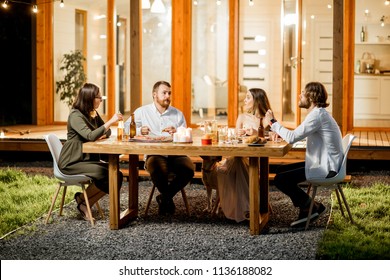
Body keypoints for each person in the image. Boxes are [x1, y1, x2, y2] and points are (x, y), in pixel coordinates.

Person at [264, 81, 343, 228]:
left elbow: (293, 137)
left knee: (281, 179)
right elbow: (296, 135)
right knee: (281, 171)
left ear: (311, 97)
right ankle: (308, 206)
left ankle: (310, 206)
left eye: (302, 93)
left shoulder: (317, 116)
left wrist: (273, 122)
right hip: (323, 162)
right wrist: (283, 134)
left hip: (327, 169)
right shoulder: (318, 115)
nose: (299, 96)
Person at [125, 80, 194, 215]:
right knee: (158, 168)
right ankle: (167, 198)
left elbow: (186, 134)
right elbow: (127, 127)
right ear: (154, 95)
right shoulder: (142, 111)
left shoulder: (177, 114)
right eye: (164, 93)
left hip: (176, 154)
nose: (167, 96)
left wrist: (178, 131)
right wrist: (139, 130)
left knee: (189, 169)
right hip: (154, 154)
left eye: (169, 93)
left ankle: (165, 197)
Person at [58, 83, 124, 221]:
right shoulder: (75, 115)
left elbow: (107, 131)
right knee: (105, 173)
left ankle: (82, 200)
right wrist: (111, 121)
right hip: (72, 161)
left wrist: (99, 132)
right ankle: (84, 203)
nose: (101, 99)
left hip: (85, 159)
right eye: (98, 97)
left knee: (117, 174)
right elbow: (90, 136)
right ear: (89, 98)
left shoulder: (92, 113)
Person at [216, 88, 272, 222]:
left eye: (248, 97)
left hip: (254, 159)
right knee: (239, 161)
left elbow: (271, 136)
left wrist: (255, 132)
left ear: (256, 100)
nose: (245, 100)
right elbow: (234, 142)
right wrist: (239, 135)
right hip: (237, 156)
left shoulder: (265, 118)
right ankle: (250, 207)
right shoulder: (241, 117)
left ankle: (246, 207)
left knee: (240, 162)